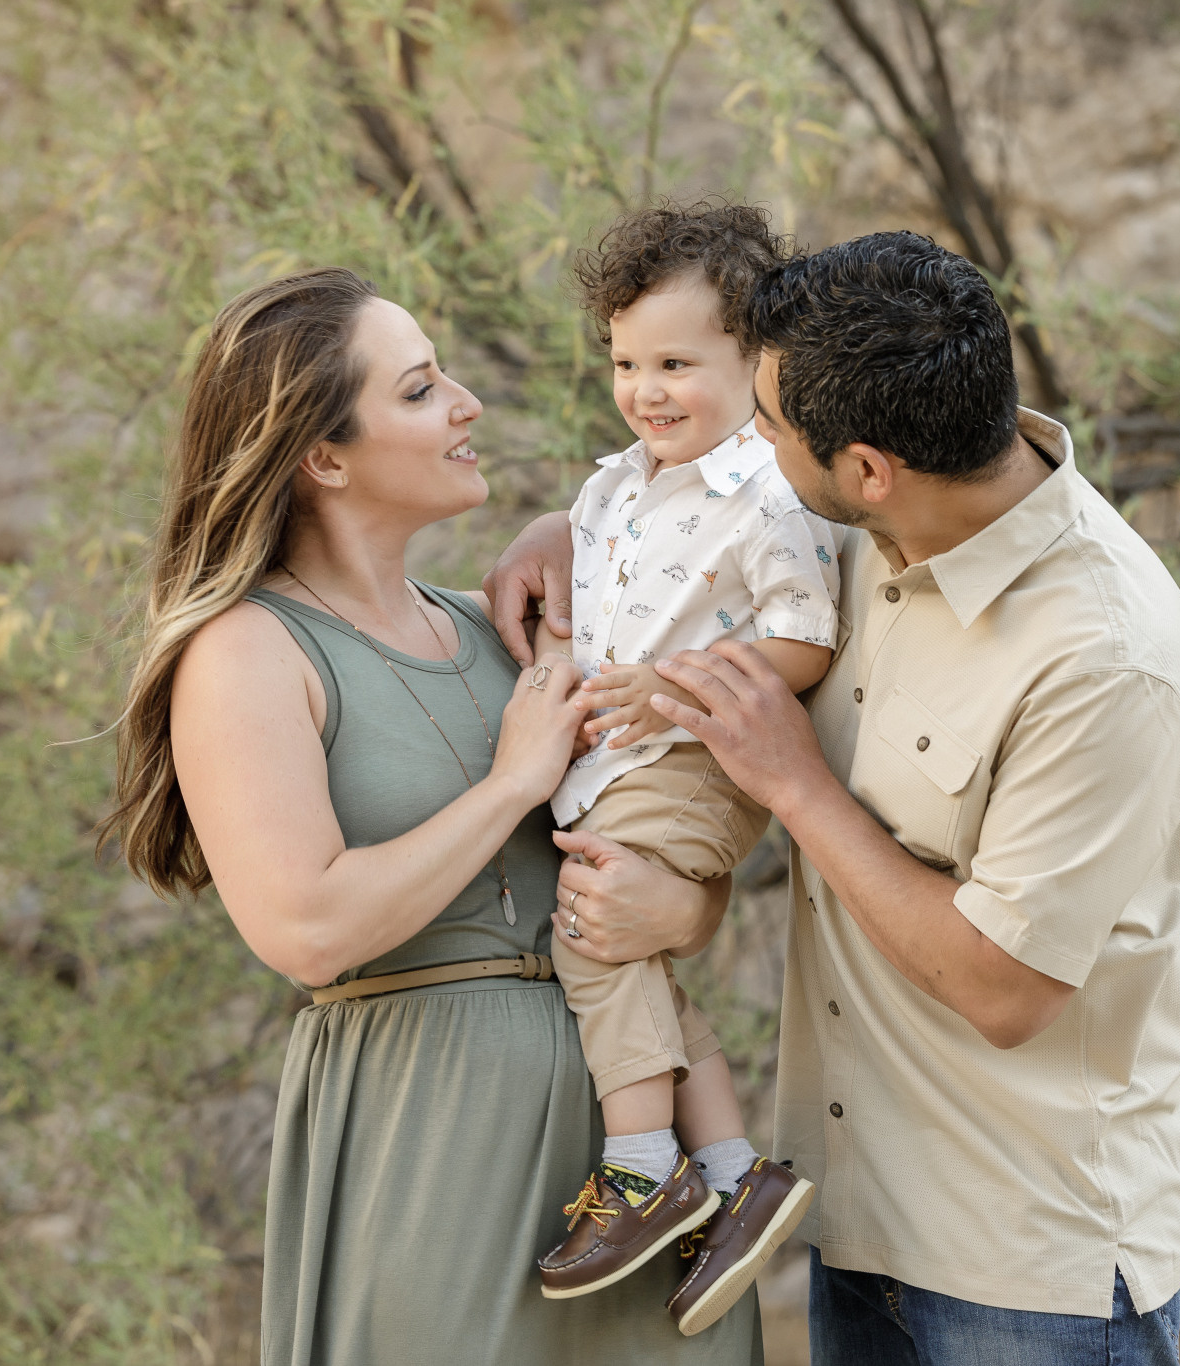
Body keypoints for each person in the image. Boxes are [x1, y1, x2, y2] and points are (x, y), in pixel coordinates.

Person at [485, 233, 1180, 1365]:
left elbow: (1006, 986)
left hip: (1026, 1267)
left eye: (766, 429)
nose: (750, 449)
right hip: (854, 1211)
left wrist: (794, 779)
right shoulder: (856, 521)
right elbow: (697, 520)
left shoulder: (1106, 664)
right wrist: (571, 532)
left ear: (866, 467)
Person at [104, 267, 763, 1365]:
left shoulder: (506, 624)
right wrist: (509, 783)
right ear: (323, 456)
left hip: (636, 1166)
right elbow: (305, 928)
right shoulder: (245, 653)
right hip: (434, 1146)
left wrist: (681, 907)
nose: (469, 404)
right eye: (420, 391)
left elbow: (663, 845)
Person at [531, 203, 825, 1335]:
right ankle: (740, 1172)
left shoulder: (765, 489)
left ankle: (647, 1169)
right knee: (634, 953)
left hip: (696, 757)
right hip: (624, 758)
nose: (647, 388)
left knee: (594, 927)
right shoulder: (616, 484)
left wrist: (678, 686)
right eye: (625, 362)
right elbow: (594, 594)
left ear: (756, 361)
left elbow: (807, 635)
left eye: (677, 363)